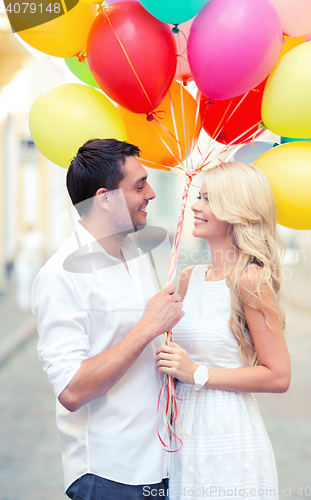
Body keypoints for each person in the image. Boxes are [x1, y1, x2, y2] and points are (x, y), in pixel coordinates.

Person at [31, 139, 184, 499]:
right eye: (139, 185)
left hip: (162, 464)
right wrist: (148, 326)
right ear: (104, 198)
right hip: (109, 473)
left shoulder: (137, 254)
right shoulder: (60, 276)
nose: (151, 194)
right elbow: (71, 390)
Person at [156, 161, 291, 500]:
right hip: (181, 431)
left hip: (226, 429)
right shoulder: (188, 278)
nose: (195, 206)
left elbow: (278, 376)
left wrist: (197, 373)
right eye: (199, 196)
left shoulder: (249, 280)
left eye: (208, 199)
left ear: (237, 210)